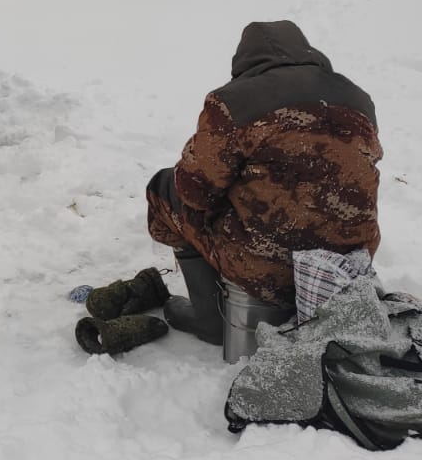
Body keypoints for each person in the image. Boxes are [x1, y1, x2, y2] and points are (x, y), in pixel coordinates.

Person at [146, 20, 382, 345]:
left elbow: (194, 190)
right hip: (346, 265)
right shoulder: (358, 99)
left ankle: (209, 319)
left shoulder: (233, 102)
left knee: (163, 188)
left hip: (270, 272)